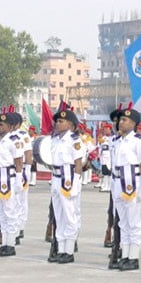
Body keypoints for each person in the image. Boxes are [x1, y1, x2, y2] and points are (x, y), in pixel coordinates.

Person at [108, 108, 141, 271]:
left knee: (133, 222)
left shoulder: (139, 140)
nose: (120, 122)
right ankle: (125, 254)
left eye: (125, 120)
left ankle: (133, 256)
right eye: (120, 120)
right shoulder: (117, 140)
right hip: (118, 182)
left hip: (132, 183)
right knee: (122, 222)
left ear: (133, 123)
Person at [49, 106, 85, 264]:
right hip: (56, 178)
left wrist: (76, 183)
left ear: (71, 125)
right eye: (57, 121)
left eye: (61, 121)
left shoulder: (74, 140)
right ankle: (61, 248)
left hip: (68, 179)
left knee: (70, 216)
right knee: (59, 215)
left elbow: (78, 164)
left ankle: (69, 250)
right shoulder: (55, 139)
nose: (57, 123)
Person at [0, 109, 26, 257]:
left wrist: (18, 180)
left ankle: (10, 244)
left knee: (10, 211)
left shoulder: (14, 140)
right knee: (1, 214)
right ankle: (4, 242)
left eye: (2, 125)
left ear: (10, 126)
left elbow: (18, 161)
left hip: (9, 177)